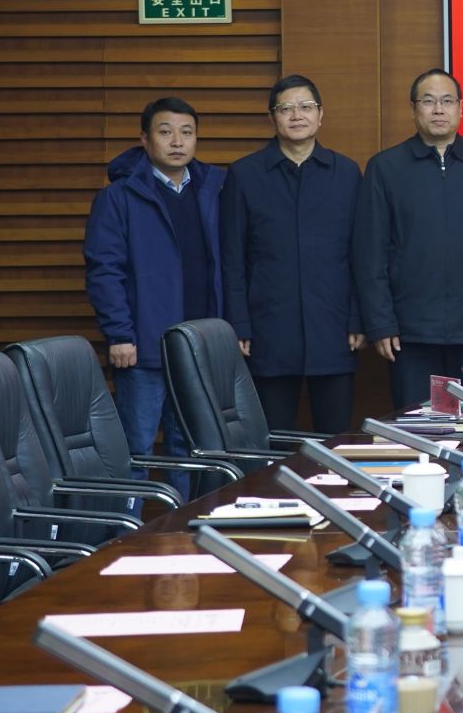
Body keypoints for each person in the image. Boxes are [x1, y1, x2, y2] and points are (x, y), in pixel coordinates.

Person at [353, 68, 463, 410]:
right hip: (410, 333)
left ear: (461, 108)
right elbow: (371, 253)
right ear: (413, 110)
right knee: (418, 428)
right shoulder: (385, 168)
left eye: (447, 101)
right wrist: (381, 324)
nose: (438, 110)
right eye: (428, 101)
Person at [219, 75, 363, 436]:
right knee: (273, 439)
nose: (296, 115)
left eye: (305, 107)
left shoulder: (346, 173)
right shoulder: (245, 174)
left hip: (333, 326)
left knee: (335, 440)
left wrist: (358, 318)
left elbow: (360, 254)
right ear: (272, 117)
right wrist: (239, 323)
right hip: (268, 327)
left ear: (320, 115)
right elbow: (232, 257)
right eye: (286, 108)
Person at [82, 96, 223, 467]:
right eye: (165, 132)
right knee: (137, 447)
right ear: (144, 139)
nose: (177, 142)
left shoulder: (214, 190)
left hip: (199, 343)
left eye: (187, 132)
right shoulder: (118, 197)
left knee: (189, 448)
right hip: (143, 344)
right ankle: (130, 510)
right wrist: (119, 334)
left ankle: (185, 510)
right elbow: (104, 270)